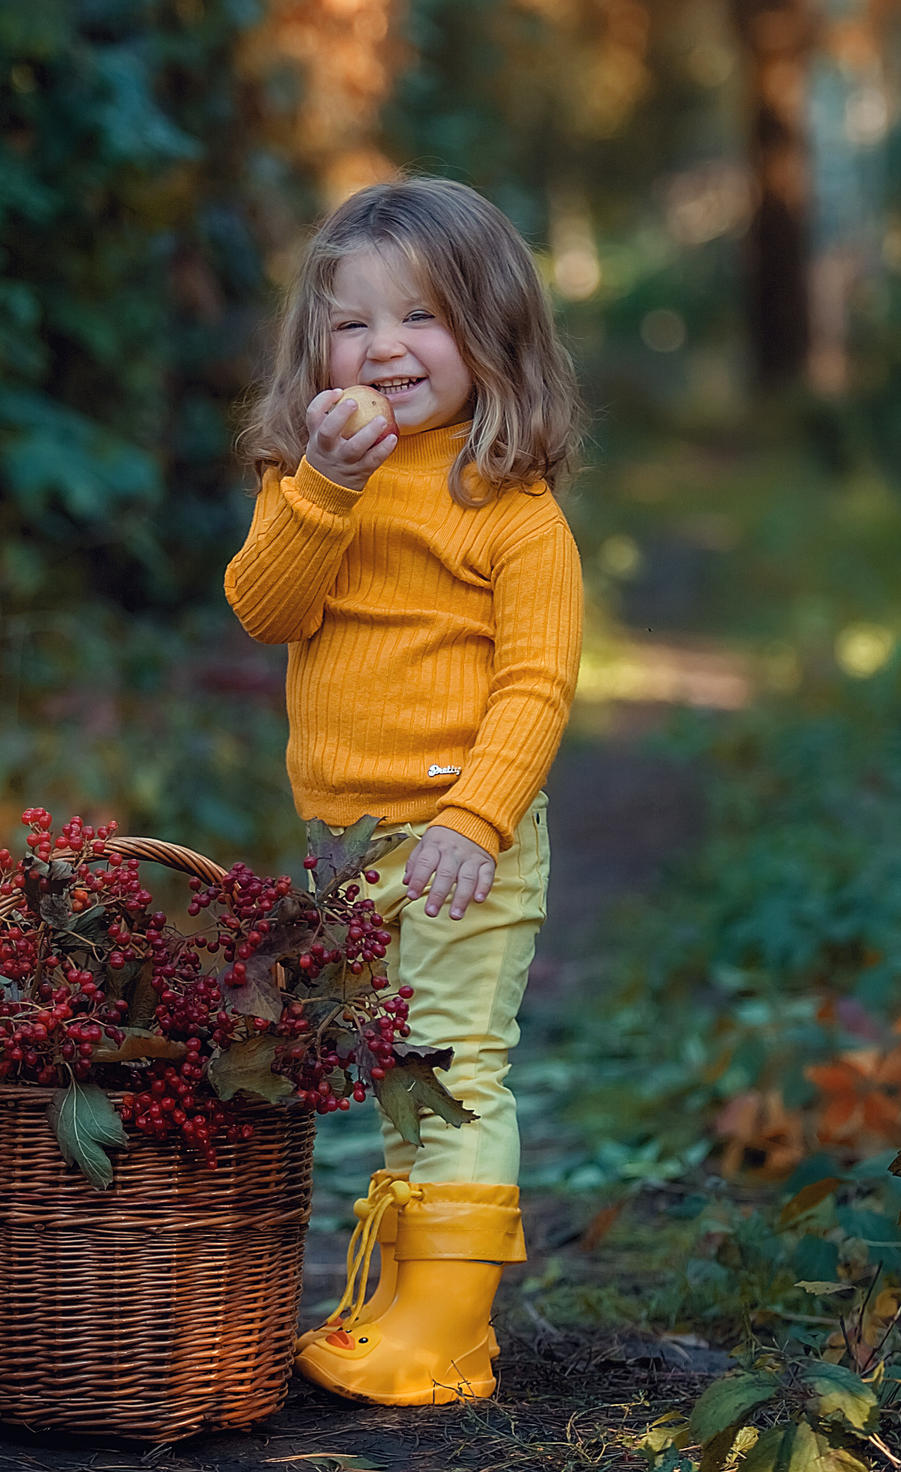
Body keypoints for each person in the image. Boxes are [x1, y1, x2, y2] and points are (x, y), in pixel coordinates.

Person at [225, 176, 584, 1407]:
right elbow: (267, 609)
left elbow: (535, 687)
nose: (383, 349)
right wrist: (324, 485)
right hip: (345, 841)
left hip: (457, 839)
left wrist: (477, 821)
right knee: (396, 1070)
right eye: (352, 323)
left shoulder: (513, 515)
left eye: (421, 317)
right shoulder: (310, 477)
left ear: (491, 334)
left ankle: (449, 1325)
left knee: (450, 1064)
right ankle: (404, 1293)